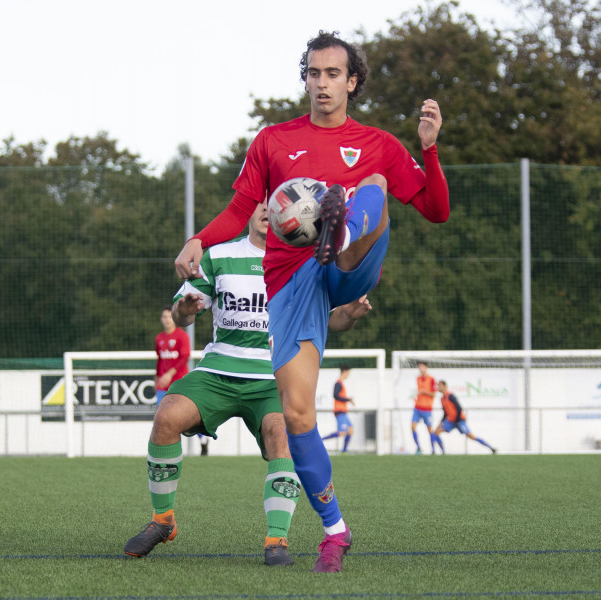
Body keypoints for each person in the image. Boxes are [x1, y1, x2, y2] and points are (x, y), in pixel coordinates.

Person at [174, 30, 449, 572]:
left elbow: (437, 210)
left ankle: (339, 232)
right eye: (313, 73)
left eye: (332, 74)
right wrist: (199, 239)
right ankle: (335, 532)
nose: (321, 83)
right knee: (298, 414)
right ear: (306, 78)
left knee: (373, 181)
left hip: (349, 266)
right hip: (290, 284)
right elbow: (240, 210)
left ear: (352, 82)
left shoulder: (378, 144)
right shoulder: (274, 141)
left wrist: (429, 148)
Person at [125, 203, 372, 566]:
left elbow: (330, 322)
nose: (264, 210)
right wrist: (186, 311)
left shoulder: (304, 261)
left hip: (274, 377)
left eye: (275, 204)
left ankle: (277, 541)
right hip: (218, 370)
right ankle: (163, 521)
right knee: (167, 415)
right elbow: (180, 314)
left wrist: (348, 315)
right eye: (260, 202)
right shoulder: (219, 255)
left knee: (282, 434)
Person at [433, 380, 497, 454]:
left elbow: (459, 409)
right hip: (450, 421)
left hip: (459, 420)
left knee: (471, 436)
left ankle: (491, 448)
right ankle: (443, 452)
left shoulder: (450, 396)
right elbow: (445, 413)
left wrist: (457, 421)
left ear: (444, 386)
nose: (438, 387)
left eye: (439, 386)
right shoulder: (441, 399)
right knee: (436, 432)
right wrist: (441, 422)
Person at [154, 307, 190, 405]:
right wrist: (156, 379)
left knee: (179, 415)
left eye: (170, 316)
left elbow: (185, 358)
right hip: (163, 385)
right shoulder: (159, 338)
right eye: (165, 317)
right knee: (161, 415)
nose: (167, 319)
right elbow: (160, 360)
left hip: (178, 384)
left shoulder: (182, 336)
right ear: (161, 319)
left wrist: (169, 374)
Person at [411, 361, 444, 455]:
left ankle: (434, 449)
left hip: (427, 409)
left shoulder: (432, 379)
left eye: (422, 367)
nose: (420, 369)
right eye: (419, 367)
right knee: (412, 427)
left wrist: (424, 392)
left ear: (426, 368)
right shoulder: (418, 378)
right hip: (417, 408)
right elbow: (419, 392)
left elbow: (433, 394)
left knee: (430, 430)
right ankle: (418, 448)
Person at [322, 364, 355, 453]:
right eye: (348, 373)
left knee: (350, 430)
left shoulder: (341, 384)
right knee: (342, 432)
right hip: (339, 411)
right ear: (345, 372)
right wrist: (348, 399)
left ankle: (344, 451)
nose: (349, 375)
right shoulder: (338, 383)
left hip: (343, 411)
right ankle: (320, 441)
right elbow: (335, 395)